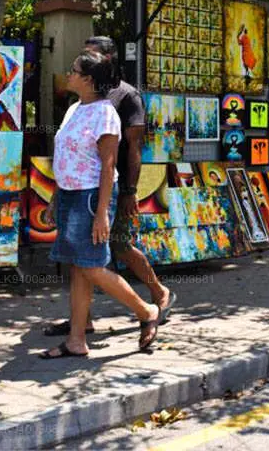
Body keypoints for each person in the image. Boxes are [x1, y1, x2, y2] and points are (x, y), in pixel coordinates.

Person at [45, 37, 175, 339]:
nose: (78, 64)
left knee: (114, 248)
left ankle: (154, 298)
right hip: (73, 194)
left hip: (100, 192)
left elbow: (129, 150)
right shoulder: (77, 105)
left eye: (89, 57)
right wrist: (56, 196)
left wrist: (129, 192)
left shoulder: (124, 98)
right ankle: (80, 328)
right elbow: (69, 155)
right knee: (80, 262)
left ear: (105, 62)